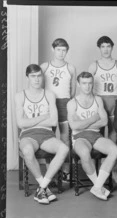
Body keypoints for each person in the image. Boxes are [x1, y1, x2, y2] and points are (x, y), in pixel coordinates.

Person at [15, 64, 69, 204]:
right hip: (28, 135)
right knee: (27, 150)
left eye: (39, 76)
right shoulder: (20, 96)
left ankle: (42, 187)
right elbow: (21, 124)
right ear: (27, 77)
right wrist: (42, 117)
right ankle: (44, 187)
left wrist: (31, 120)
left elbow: (53, 121)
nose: (37, 79)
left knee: (64, 149)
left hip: (47, 135)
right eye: (33, 76)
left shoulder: (49, 94)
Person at [67, 72, 117, 201]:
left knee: (115, 150)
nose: (87, 86)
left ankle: (97, 187)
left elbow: (105, 122)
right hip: (79, 137)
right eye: (84, 83)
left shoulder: (98, 100)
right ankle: (98, 186)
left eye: (90, 83)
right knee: (84, 152)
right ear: (78, 84)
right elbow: (74, 126)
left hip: (96, 135)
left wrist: (83, 122)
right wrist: (94, 117)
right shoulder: (72, 103)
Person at [88, 36, 117, 183]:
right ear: (99, 48)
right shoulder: (94, 66)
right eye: (103, 46)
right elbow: (88, 88)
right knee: (97, 136)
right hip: (99, 102)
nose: (105, 49)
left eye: (108, 46)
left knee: (113, 137)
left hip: (114, 101)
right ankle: (98, 170)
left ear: (112, 47)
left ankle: (113, 169)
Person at [40, 38, 76, 180]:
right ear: (52, 49)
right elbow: (39, 88)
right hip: (49, 103)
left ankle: (66, 171)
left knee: (65, 138)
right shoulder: (44, 67)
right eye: (58, 50)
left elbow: (72, 91)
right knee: (49, 138)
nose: (61, 53)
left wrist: (67, 103)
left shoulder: (70, 68)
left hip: (64, 103)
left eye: (64, 50)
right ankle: (52, 172)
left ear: (67, 51)